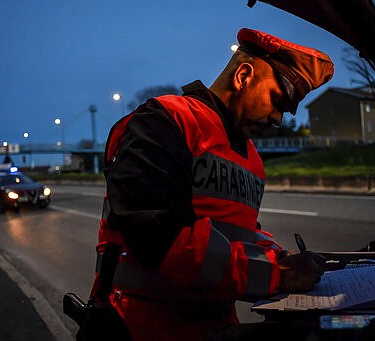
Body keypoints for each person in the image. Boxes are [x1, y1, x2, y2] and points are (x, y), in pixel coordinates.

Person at [88, 27, 334, 341]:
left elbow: (237, 233)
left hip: (214, 326)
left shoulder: (252, 159)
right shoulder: (162, 122)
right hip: (136, 327)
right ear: (244, 75)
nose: (277, 119)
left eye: (285, 111)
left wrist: (279, 255)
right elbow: (161, 238)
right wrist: (278, 274)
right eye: (277, 99)